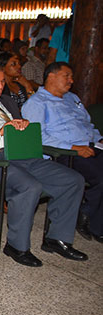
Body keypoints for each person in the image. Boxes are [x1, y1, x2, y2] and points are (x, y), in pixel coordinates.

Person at [0, 62, 87, 266]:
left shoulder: (8, 102)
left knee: (72, 180)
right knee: (29, 186)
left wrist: (22, 125)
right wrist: (0, 132)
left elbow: (19, 126)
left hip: (24, 154)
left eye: (2, 82)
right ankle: (16, 246)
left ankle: (57, 238)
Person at [22, 62, 103, 242]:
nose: (71, 81)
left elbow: (87, 125)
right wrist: (73, 148)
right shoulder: (37, 103)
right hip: (64, 153)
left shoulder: (72, 98)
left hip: (91, 146)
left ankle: (96, 223)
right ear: (51, 76)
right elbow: (38, 137)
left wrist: (98, 139)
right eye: (67, 76)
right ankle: (87, 214)